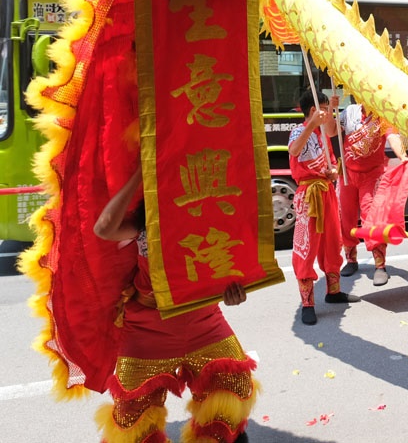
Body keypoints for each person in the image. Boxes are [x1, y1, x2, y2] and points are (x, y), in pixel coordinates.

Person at [93, 167, 256, 443]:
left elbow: (229, 267)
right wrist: (139, 175)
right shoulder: (146, 220)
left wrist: (233, 293)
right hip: (147, 328)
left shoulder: (213, 214)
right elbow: (103, 228)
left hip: (204, 320)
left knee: (234, 384)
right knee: (132, 415)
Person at [288, 90, 359, 326]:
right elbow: (294, 151)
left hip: (327, 191)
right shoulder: (300, 131)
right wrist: (311, 126)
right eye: (325, 109)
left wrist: (332, 173)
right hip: (309, 196)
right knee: (307, 248)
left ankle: (333, 290)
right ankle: (308, 303)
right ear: (313, 111)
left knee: (332, 241)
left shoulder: (322, 135)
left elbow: (328, 163)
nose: (327, 114)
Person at [339, 101, 408, 285]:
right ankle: (351, 259)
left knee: (372, 218)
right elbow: (331, 132)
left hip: (371, 175)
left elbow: (393, 136)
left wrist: (402, 156)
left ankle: (380, 264)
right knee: (346, 217)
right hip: (347, 173)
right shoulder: (349, 112)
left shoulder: (382, 114)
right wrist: (330, 109)